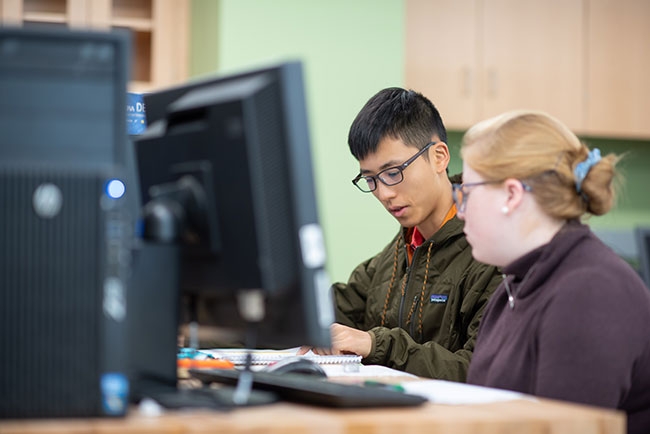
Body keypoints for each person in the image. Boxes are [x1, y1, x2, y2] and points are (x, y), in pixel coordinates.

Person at [457, 110, 650, 434]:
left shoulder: (591, 292)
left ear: (511, 194)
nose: (460, 211)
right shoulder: (515, 286)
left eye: (467, 193)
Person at [301, 87, 502, 381]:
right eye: (370, 179)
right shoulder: (399, 253)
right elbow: (329, 308)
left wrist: (376, 345)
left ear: (439, 157)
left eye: (393, 172)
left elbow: (480, 371)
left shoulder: (492, 254)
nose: (383, 193)